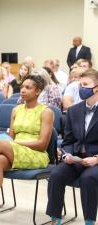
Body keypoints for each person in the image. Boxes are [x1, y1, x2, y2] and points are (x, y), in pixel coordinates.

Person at [0, 74, 54, 225]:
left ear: (37, 91)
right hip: (16, 150)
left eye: (28, 87)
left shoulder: (46, 112)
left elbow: (42, 144)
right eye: (22, 87)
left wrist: (14, 143)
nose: (23, 90)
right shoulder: (16, 110)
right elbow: (11, 136)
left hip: (36, 154)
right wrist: (8, 142)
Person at [46, 69, 98, 225]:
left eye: (85, 85)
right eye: (80, 85)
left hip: (95, 160)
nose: (81, 88)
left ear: (96, 87)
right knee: (56, 174)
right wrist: (66, 155)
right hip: (76, 159)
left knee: (88, 178)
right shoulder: (74, 110)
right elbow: (68, 140)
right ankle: (55, 219)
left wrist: (96, 159)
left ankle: (90, 221)